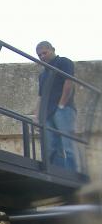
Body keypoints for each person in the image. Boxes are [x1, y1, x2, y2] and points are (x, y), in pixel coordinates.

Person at [35, 41, 77, 171]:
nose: (42, 57)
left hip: (63, 110)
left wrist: (61, 105)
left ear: (53, 49)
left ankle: (72, 173)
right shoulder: (43, 75)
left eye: (44, 53)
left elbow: (69, 82)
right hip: (48, 113)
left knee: (68, 144)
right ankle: (58, 173)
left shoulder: (64, 62)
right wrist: (37, 116)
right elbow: (40, 96)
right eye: (39, 55)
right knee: (52, 148)